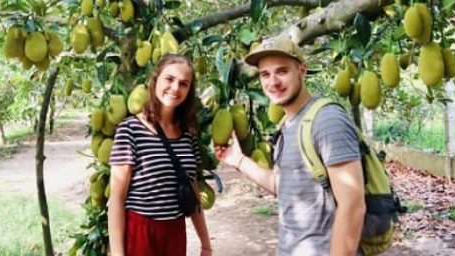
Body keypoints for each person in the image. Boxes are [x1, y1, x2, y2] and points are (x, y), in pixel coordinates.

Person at [214, 36, 366, 256]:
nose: (273, 82)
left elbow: (353, 206)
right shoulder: (288, 124)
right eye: (265, 74)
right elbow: (284, 185)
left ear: (302, 71)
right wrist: (239, 161)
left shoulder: (327, 120)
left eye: (282, 71)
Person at [108, 53, 212, 256]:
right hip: (140, 231)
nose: (175, 88)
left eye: (184, 83)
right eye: (169, 79)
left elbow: (193, 191)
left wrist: (205, 243)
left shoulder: (187, 135)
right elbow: (116, 200)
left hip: (174, 232)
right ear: (155, 79)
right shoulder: (130, 130)